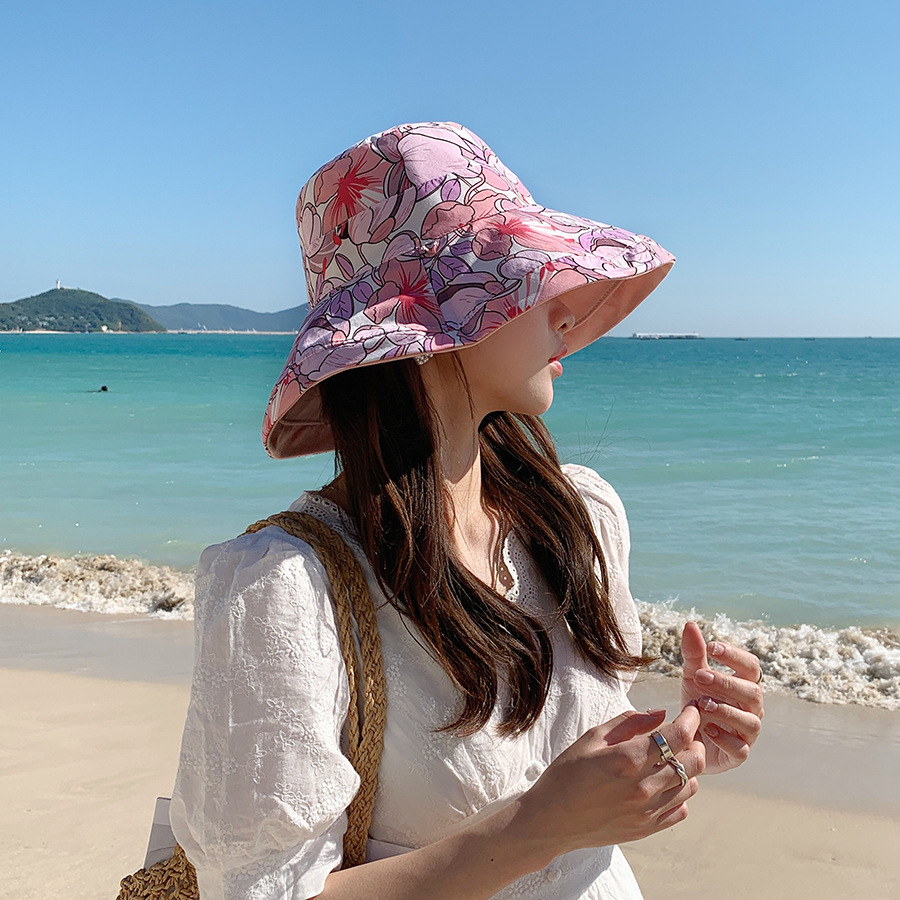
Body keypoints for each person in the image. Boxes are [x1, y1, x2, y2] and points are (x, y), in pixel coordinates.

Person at [170, 122, 764, 900]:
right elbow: (266, 890)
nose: (564, 309)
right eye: (522, 279)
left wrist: (678, 750)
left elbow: (579, 767)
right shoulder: (285, 589)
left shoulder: (577, 516)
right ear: (426, 330)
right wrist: (537, 829)